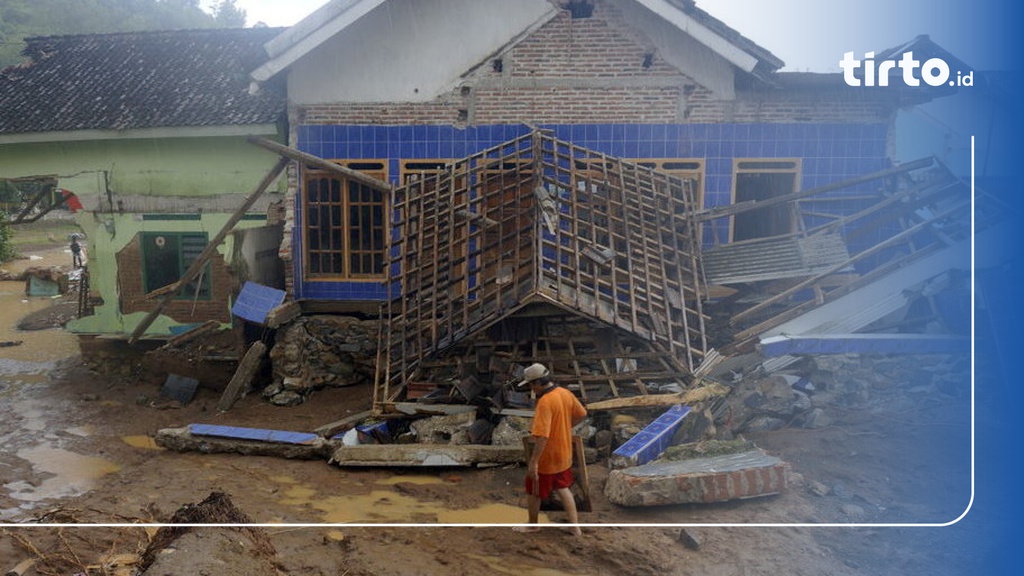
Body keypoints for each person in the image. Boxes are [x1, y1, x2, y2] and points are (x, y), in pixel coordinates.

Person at [513, 363, 587, 535]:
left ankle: (532, 524)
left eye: (531, 385)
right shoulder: (564, 393)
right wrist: (563, 427)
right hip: (564, 453)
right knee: (562, 487)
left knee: (534, 490)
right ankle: (574, 527)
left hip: (548, 456)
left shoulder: (545, 402)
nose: (532, 389)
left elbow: (542, 436)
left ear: (537, 383)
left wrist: (534, 462)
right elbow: (582, 413)